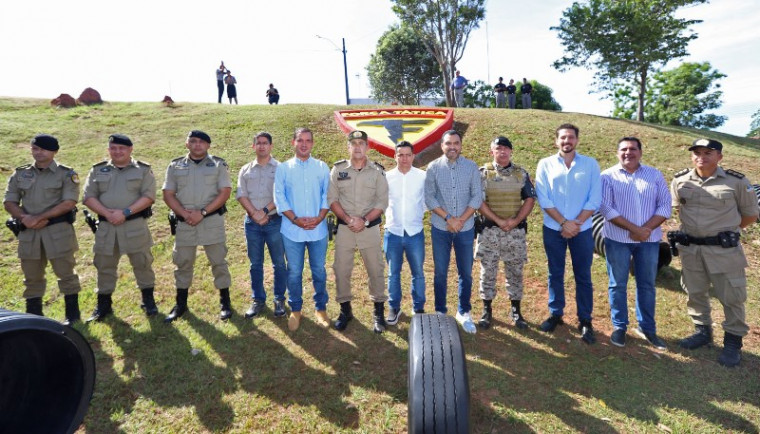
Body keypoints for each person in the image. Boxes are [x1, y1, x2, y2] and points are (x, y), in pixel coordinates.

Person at [671, 138, 759, 367]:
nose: (702, 156)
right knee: (695, 292)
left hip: (723, 251)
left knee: (732, 297)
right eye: (697, 152)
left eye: (708, 152)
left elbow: (749, 215)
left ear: (719, 156)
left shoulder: (736, 182)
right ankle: (702, 332)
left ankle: (732, 343)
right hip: (691, 249)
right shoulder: (680, 180)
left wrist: (726, 230)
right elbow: (678, 208)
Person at [600, 137, 671, 349]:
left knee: (647, 284)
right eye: (623, 149)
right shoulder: (607, 176)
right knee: (617, 284)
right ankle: (620, 326)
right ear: (617, 152)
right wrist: (634, 230)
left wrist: (645, 230)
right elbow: (606, 208)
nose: (628, 153)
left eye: (632, 149)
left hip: (649, 241)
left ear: (640, 152)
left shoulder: (654, 175)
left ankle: (647, 328)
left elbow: (665, 206)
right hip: (617, 239)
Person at [4, 134, 82, 325]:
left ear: (54, 152)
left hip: (57, 232)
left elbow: (69, 202)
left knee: (66, 273)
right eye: (35, 148)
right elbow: (9, 201)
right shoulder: (21, 173)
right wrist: (25, 218)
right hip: (29, 233)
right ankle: (34, 316)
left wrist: (39, 217)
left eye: (43, 149)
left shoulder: (66, 174)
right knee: (31, 276)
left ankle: (72, 315)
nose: (38, 153)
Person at [535, 124, 601, 344]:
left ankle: (585, 320)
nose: (567, 141)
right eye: (563, 137)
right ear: (556, 141)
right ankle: (556, 313)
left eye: (571, 137)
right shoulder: (545, 164)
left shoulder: (590, 165)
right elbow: (543, 198)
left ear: (577, 140)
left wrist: (577, 223)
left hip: (583, 230)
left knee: (583, 275)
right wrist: (564, 222)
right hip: (554, 228)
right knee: (555, 272)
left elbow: (594, 198)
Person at [82, 134, 158, 322]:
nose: (117, 152)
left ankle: (148, 300)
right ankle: (103, 305)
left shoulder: (143, 170)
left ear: (130, 149)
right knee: (104, 265)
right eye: (113, 148)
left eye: (122, 148)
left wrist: (124, 212)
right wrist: (108, 214)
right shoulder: (98, 170)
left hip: (134, 225)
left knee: (142, 263)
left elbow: (149, 196)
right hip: (107, 227)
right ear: (108, 150)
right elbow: (88, 197)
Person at [162, 130, 233, 322]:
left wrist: (202, 213)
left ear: (208, 145)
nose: (197, 145)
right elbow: (168, 194)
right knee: (183, 262)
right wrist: (185, 214)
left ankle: (225, 303)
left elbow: (225, 192)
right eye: (193, 141)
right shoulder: (175, 166)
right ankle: (181, 304)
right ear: (187, 144)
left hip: (211, 220)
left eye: (202, 142)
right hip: (185, 222)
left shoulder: (218, 164)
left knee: (218, 261)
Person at [327, 130, 389, 333]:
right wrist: (347, 219)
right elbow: (332, 199)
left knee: (376, 270)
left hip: (369, 228)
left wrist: (364, 220)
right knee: (341, 269)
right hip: (345, 228)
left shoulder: (377, 171)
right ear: (348, 147)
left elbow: (382, 201)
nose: (357, 147)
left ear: (367, 147)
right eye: (353, 143)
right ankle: (345, 310)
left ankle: (378, 312)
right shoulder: (337, 170)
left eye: (361, 143)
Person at [424, 130, 482, 334]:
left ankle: (463, 311)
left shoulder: (472, 167)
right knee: (440, 273)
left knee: (465, 273)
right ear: (442, 146)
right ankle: (440, 312)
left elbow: (477, 197)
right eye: (448, 143)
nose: (452, 147)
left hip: (465, 229)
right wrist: (449, 218)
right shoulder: (433, 168)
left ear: (461, 145)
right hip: (441, 228)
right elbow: (430, 198)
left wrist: (461, 220)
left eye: (456, 143)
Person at [475, 136, 536, 330]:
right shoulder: (482, 173)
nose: (502, 151)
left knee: (515, 272)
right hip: (490, 231)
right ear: (491, 151)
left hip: (514, 233)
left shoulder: (521, 174)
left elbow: (529, 199)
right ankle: (487, 310)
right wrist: (499, 220)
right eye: (498, 148)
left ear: (511, 151)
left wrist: (515, 221)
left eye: (505, 148)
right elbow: (478, 201)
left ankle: (516, 311)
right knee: (488, 272)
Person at [274, 127, 331, 331]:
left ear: (312, 143)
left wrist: (320, 217)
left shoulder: (322, 167)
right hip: (292, 230)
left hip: (318, 229)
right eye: (300, 140)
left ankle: (320, 308)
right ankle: (296, 309)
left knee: (318, 270)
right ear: (294, 143)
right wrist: (296, 219)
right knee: (294, 272)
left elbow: (328, 195)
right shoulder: (283, 168)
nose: (304, 144)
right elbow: (279, 197)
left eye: (308, 140)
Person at [237, 132, 287, 320]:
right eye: (258, 143)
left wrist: (264, 212)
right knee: (255, 264)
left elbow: (281, 194)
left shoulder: (281, 168)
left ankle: (279, 299)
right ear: (253, 147)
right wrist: (254, 214)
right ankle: (258, 300)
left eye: (265, 143)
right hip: (252, 224)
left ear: (271, 146)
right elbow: (241, 194)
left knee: (279, 263)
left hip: (274, 222)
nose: (262, 146)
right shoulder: (245, 169)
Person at [384, 141, 427, 325]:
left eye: (408, 154)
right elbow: (381, 201)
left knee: (418, 272)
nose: (404, 158)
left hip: (414, 232)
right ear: (395, 156)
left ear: (413, 156)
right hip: (392, 232)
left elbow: (427, 201)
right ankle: (394, 307)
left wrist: (416, 215)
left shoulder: (422, 176)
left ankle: (418, 308)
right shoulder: (386, 177)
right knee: (393, 273)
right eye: (400, 155)